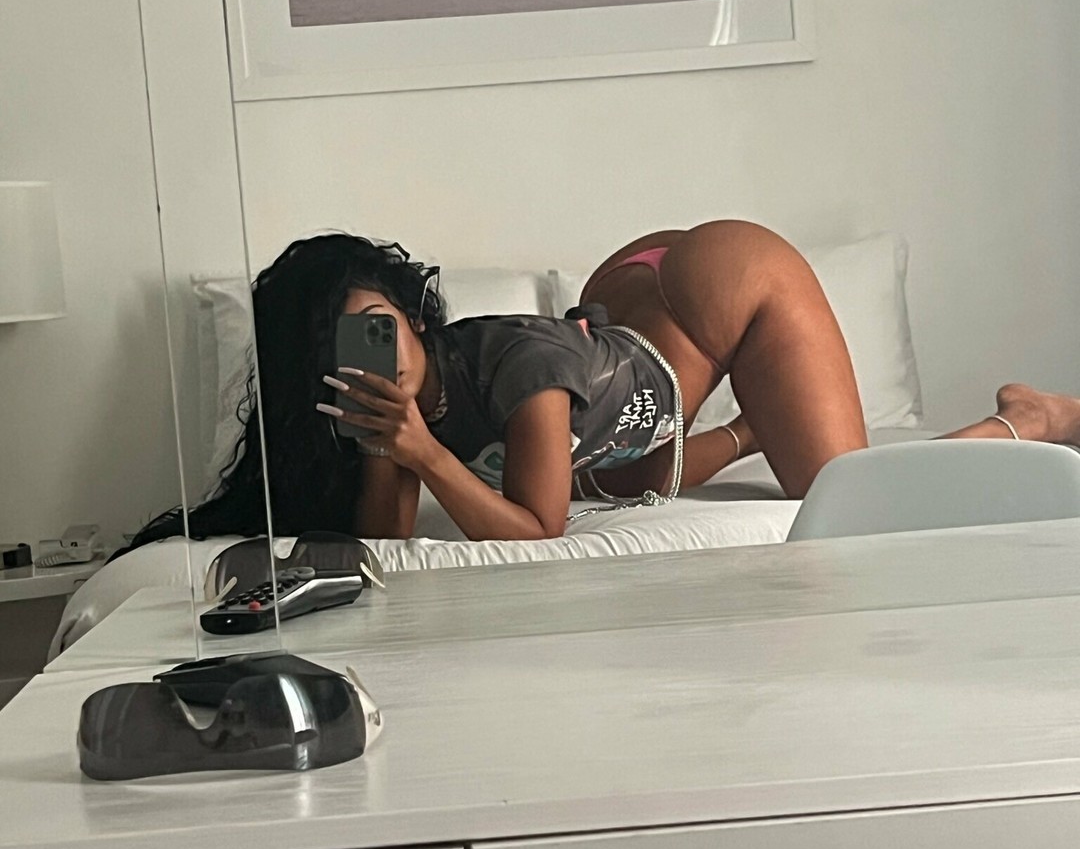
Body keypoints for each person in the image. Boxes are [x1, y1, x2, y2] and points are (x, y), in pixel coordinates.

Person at [129, 223, 1080, 548]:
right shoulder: (416, 397)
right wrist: (390, 443)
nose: (377, 359)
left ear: (415, 319)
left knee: (842, 488)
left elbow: (539, 528)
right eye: (346, 348)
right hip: (627, 326)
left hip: (727, 282)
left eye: (382, 330)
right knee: (623, 471)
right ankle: (755, 426)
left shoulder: (517, 370)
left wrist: (420, 452)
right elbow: (391, 547)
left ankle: (1026, 418)